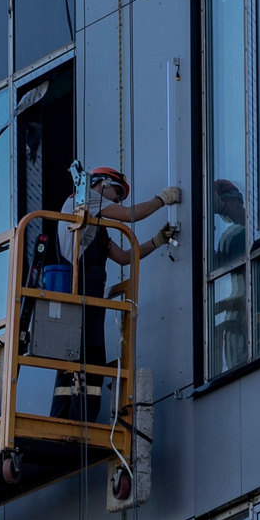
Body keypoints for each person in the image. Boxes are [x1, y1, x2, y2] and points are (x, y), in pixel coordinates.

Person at [60, 167, 180, 418]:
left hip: (83, 288)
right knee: (87, 354)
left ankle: (71, 416)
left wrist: (156, 241)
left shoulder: (91, 224)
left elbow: (125, 257)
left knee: (78, 355)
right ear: (102, 184)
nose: (115, 202)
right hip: (81, 286)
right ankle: (78, 419)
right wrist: (162, 199)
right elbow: (129, 215)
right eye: (116, 194)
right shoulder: (84, 198)